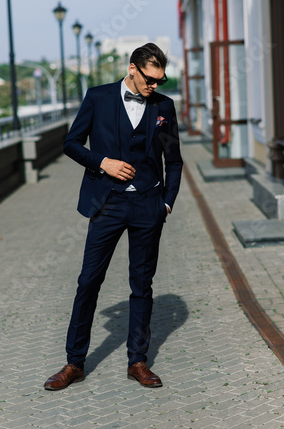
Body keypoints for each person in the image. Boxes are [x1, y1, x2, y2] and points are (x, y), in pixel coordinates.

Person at [44, 42, 183, 390]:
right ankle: (74, 363)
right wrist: (102, 162)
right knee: (88, 281)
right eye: (150, 79)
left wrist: (166, 203)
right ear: (132, 68)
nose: (154, 86)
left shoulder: (164, 106)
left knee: (142, 285)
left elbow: (174, 159)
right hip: (107, 203)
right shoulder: (99, 97)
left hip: (149, 205)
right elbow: (71, 143)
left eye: (160, 80)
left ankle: (138, 361)